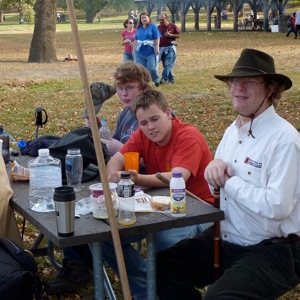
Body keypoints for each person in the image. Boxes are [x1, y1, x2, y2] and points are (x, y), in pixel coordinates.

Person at [156, 48, 300, 300]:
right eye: (234, 81)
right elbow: (216, 176)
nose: (238, 88)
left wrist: (229, 183)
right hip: (222, 238)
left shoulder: (284, 140)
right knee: (162, 267)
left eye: (249, 81)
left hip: (270, 250)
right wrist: (215, 170)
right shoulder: (232, 131)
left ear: (270, 89)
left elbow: (277, 206)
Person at [104, 89, 214, 299]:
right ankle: (146, 288)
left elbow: (178, 177)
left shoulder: (188, 135)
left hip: (196, 208)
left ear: (168, 113)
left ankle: (168, 290)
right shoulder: (142, 135)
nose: (150, 127)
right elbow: (116, 159)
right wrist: (114, 179)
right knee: (108, 238)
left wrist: (136, 178)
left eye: (155, 119)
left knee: (164, 243)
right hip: (157, 204)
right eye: (143, 123)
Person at [133, 11, 161, 87]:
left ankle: (155, 80)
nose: (144, 19)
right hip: (140, 52)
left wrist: (157, 48)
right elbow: (136, 40)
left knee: (152, 68)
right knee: (142, 69)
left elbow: (157, 38)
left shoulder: (153, 26)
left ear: (149, 18)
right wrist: (133, 50)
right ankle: (144, 82)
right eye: (142, 18)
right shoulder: (139, 29)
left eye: (145, 17)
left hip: (150, 52)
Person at [158, 13, 180, 85]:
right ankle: (172, 79)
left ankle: (163, 79)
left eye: (162, 19)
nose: (161, 21)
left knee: (167, 64)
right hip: (161, 48)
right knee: (166, 65)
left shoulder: (172, 26)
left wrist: (170, 35)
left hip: (170, 48)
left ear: (166, 18)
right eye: (160, 20)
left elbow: (178, 35)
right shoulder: (158, 27)